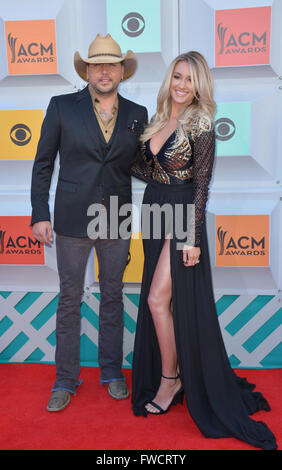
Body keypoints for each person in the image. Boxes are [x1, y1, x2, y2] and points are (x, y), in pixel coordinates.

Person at [131, 51, 277, 450]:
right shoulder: (158, 120)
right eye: (177, 76)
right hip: (155, 209)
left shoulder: (201, 123)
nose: (181, 85)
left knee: (158, 299)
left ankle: (170, 379)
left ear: (199, 86)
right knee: (161, 300)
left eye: (190, 80)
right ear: (169, 79)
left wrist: (194, 237)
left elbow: (201, 186)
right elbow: (145, 170)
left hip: (181, 214)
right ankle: (172, 374)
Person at [31, 34, 148, 411]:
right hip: (70, 219)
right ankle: (65, 378)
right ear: (87, 70)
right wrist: (39, 213)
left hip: (116, 218)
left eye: (111, 64)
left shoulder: (137, 113)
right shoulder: (63, 106)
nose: (104, 70)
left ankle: (112, 372)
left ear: (121, 71)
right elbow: (43, 163)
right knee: (69, 299)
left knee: (113, 296)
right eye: (97, 64)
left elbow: (142, 166)